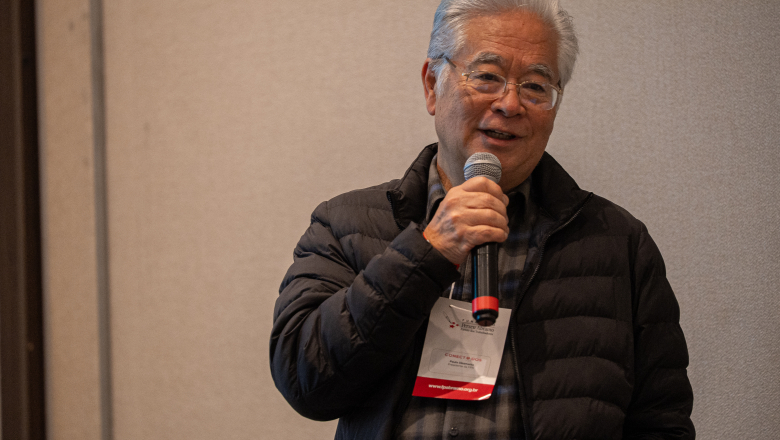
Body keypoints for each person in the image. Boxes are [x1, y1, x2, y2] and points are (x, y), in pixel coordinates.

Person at [269, 0, 695, 438]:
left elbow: (663, 421)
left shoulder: (618, 244)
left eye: (535, 86)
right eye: (487, 76)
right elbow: (305, 381)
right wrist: (426, 253)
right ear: (432, 85)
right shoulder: (345, 223)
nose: (510, 103)